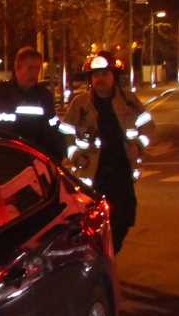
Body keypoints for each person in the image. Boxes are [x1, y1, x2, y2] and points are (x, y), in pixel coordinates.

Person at [60, 55, 152, 252]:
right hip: (94, 174)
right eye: (95, 75)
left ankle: (110, 252)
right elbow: (65, 132)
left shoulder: (128, 101)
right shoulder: (80, 104)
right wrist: (76, 156)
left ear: (113, 77)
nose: (100, 79)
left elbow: (148, 125)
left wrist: (138, 145)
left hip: (122, 170)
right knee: (94, 221)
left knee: (125, 218)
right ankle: (101, 258)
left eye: (104, 74)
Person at [0, 46, 66, 160]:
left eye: (37, 68)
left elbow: (52, 131)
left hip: (31, 162)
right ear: (17, 68)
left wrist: (57, 157)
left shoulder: (43, 96)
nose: (34, 73)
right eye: (30, 68)